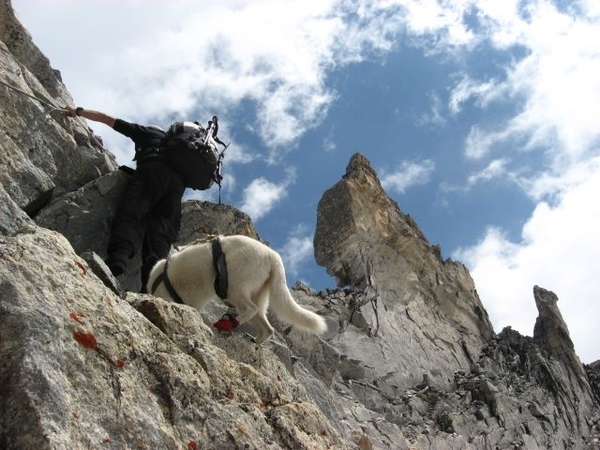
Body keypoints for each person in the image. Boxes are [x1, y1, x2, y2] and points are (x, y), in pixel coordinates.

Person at [66, 106, 185, 292]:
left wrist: (78, 111)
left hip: (152, 172)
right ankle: (152, 288)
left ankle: (118, 259)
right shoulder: (180, 152)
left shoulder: (147, 133)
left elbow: (107, 118)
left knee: (132, 213)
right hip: (176, 188)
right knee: (160, 235)